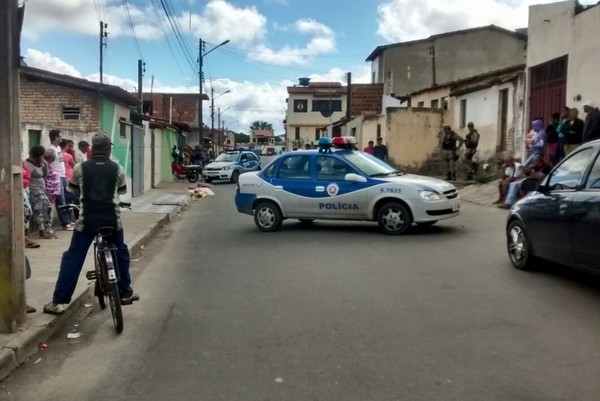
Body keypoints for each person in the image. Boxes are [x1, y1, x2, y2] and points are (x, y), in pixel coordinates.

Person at [43, 132, 138, 315]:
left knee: (73, 257)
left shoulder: (80, 168)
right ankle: (126, 291)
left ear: (92, 149)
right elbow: (121, 191)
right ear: (109, 149)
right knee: (121, 251)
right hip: (112, 221)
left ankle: (59, 302)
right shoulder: (118, 169)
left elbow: (72, 190)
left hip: (86, 222)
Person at [25, 146, 55, 240]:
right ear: (38, 155)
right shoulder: (28, 164)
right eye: (41, 155)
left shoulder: (40, 163)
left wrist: (45, 164)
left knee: (48, 207)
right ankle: (42, 232)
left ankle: (47, 229)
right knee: (38, 210)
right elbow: (28, 176)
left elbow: (45, 174)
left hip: (41, 190)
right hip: (34, 190)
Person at [48, 130, 75, 230]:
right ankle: (65, 222)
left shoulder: (58, 148)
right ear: (55, 137)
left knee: (69, 196)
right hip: (57, 176)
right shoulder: (50, 149)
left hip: (63, 176)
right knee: (61, 200)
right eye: (60, 136)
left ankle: (67, 219)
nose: (61, 138)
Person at [22, 162, 40, 249]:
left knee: (27, 212)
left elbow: (27, 173)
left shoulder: (21, 162)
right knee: (23, 213)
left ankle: (23, 237)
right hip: (16, 188)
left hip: (23, 189)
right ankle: (23, 239)